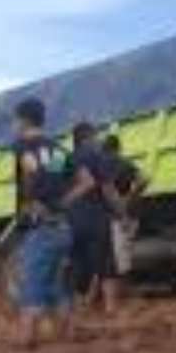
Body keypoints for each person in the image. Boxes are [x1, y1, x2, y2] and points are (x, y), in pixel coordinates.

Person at [10, 98, 96, 349]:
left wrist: (32, 201)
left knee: (32, 280)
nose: (14, 125)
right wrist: (62, 202)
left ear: (24, 120)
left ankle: (27, 336)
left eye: (15, 120)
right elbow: (87, 182)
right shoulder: (57, 150)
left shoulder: (22, 146)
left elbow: (31, 173)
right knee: (56, 284)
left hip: (41, 227)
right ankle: (70, 332)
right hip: (63, 227)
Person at [67, 122, 125, 314]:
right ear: (87, 138)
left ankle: (77, 310)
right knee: (107, 264)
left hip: (73, 219)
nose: (98, 140)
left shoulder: (65, 158)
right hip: (97, 217)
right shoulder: (97, 157)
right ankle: (110, 309)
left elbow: (52, 182)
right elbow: (108, 189)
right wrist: (121, 211)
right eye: (95, 136)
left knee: (78, 265)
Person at [101, 134, 148, 289]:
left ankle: (122, 292)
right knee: (125, 254)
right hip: (132, 213)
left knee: (116, 258)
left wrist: (121, 210)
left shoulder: (104, 163)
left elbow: (108, 190)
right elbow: (144, 179)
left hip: (116, 216)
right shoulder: (126, 163)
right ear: (118, 148)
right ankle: (125, 290)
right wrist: (130, 196)